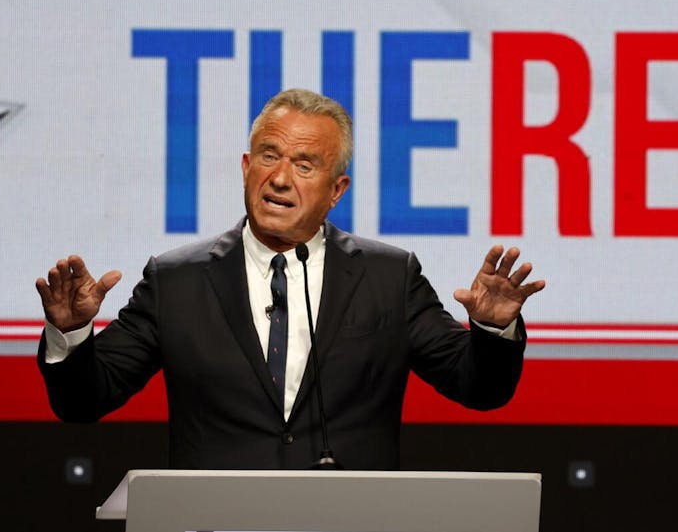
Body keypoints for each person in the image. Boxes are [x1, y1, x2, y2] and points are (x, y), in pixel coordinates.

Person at [36, 88, 545, 469]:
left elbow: (480, 389)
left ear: (336, 189)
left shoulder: (389, 276)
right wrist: (73, 334)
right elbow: (85, 401)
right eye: (268, 156)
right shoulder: (176, 281)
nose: (279, 178)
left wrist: (493, 331)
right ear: (245, 166)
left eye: (304, 164)